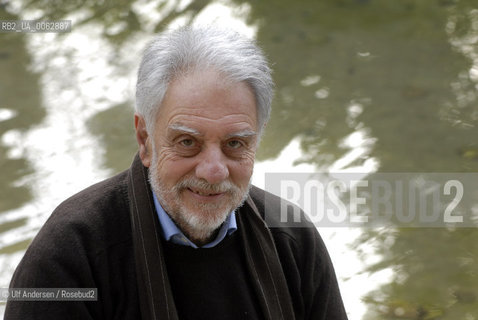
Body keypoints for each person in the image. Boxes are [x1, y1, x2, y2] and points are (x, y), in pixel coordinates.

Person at [5, 26, 348, 320]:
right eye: (187, 142)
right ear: (145, 139)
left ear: (257, 139)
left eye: (235, 143)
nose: (213, 171)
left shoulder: (292, 238)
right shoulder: (69, 259)